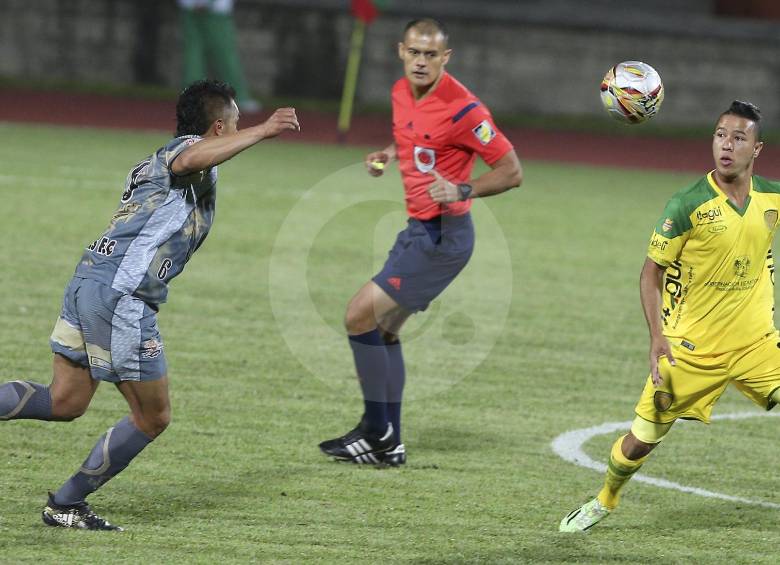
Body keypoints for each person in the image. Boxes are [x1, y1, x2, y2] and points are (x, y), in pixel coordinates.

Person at [0, 80, 299, 531]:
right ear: (219, 127)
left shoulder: (159, 163)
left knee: (64, 401)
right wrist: (262, 130)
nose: (240, 129)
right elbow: (191, 157)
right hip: (121, 296)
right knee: (153, 416)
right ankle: (66, 504)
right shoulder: (184, 155)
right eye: (235, 123)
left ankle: (66, 503)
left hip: (90, 280)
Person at [560, 100, 780, 532]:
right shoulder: (687, 205)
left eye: (739, 138)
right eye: (720, 135)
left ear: (757, 149)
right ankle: (605, 500)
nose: (727, 145)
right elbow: (649, 275)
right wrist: (656, 337)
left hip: (757, 343)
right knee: (641, 441)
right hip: (689, 351)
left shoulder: (772, 197)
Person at [318, 18, 523, 466]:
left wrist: (463, 189)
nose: (422, 61)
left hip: (443, 237)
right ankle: (387, 442)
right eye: (415, 52)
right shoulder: (400, 93)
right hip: (418, 230)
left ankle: (378, 432)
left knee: (357, 316)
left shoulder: (466, 110)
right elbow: (413, 136)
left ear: (445, 58)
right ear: (401, 52)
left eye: (431, 55)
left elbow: (512, 171)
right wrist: (387, 155)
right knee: (384, 332)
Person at [178, 0, 260, 112]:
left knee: (198, 55)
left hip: (200, 10)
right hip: (210, 12)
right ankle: (235, 97)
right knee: (206, 56)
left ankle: (192, 99)